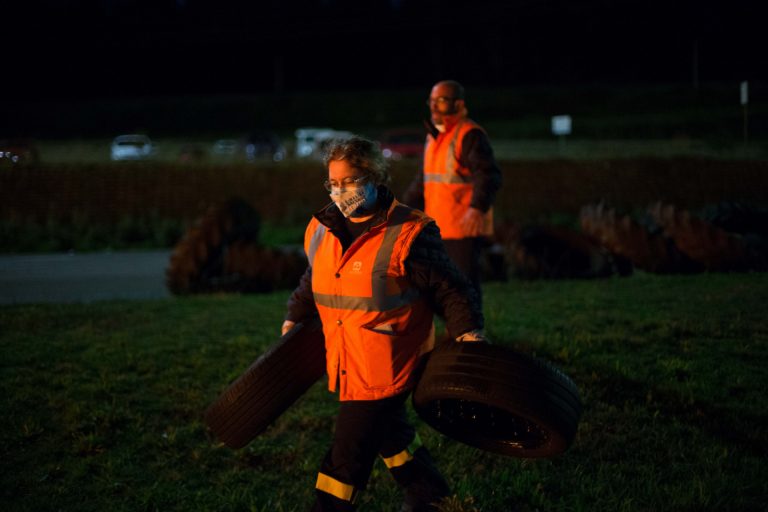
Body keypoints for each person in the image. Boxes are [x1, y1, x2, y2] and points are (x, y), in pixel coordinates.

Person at [281, 136, 486, 511]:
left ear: (376, 175)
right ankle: (430, 495)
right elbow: (316, 278)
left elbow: (452, 288)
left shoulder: (411, 233)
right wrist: (294, 314)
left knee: (347, 455)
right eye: (334, 183)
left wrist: (469, 333)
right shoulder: (321, 228)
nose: (341, 191)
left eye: (351, 180)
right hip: (346, 360)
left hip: (387, 363)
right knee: (391, 434)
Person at [403, 80, 502, 304]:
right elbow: (424, 180)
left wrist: (476, 209)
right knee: (444, 285)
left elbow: (488, 175)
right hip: (438, 226)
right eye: (431, 101)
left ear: (458, 104)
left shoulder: (469, 135)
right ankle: (455, 334)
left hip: (463, 227)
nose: (434, 106)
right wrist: (400, 209)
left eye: (441, 100)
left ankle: (471, 335)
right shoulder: (434, 137)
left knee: (463, 283)